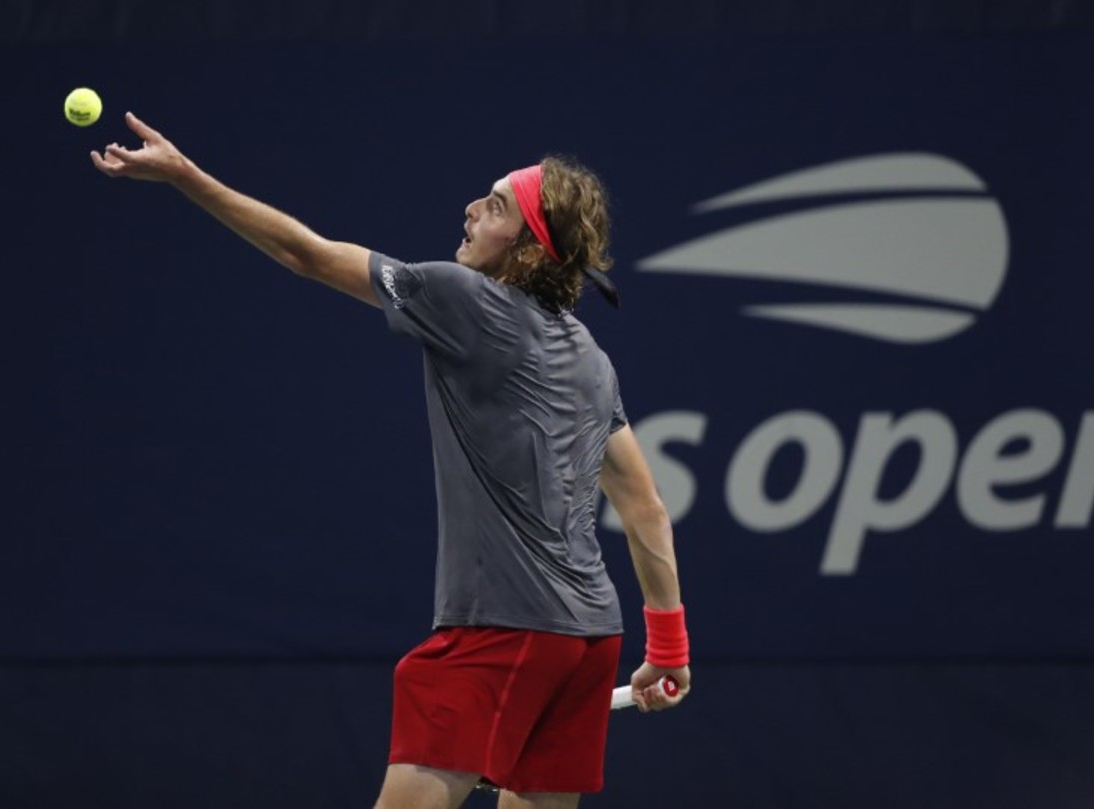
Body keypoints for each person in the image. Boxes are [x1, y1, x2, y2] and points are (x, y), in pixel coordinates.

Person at [91, 112, 691, 809]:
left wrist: (185, 176)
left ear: (529, 247)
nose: (471, 208)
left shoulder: (465, 298)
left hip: (504, 629)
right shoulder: (593, 359)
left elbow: (307, 254)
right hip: (589, 639)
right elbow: (644, 506)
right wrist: (669, 648)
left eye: (496, 205)